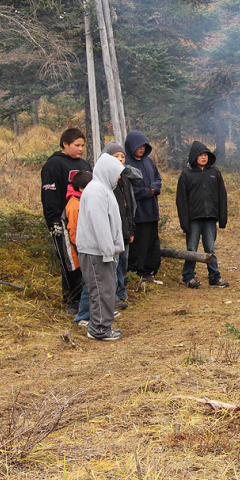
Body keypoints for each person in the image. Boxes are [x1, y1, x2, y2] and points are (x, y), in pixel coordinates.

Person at [40, 128, 92, 314]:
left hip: (84, 219)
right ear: (65, 144)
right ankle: (72, 298)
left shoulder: (85, 164)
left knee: (83, 259)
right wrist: (53, 220)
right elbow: (49, 194)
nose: (80, 149)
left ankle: (85, 297)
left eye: (83, 146)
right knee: (69, 260)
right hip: (63, 220)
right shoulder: (54, 165)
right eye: (77, 145)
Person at [76, 154, 125, 341]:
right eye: (117, 173)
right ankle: (98, 329)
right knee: (100, 290)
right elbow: (100, 224)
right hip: (96, 252)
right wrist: (107, 251)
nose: (119, 177)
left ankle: (102, 326)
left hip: (101, 251)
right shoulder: (96, 191)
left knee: (106, 289)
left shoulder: (103, 190)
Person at [176, 141, 229, 288]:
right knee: (191, 249)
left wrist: (222, 218)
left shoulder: (214, 172)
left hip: (210, 217)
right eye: (201, 155)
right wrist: (184, 222)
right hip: (193, 218)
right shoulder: (186, 174)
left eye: (206, 155)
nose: (204, 157)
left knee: (210, 249)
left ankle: (214, 277)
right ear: (194, 157)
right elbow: (181, 200)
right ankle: (188, 277)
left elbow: (222, 195)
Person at [103, 141, 140, 310]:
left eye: (122, 156)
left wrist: (131, 229)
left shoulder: (125, 178)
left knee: (123, 263)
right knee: (114, 263)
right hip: (112, 231)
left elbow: (129, 207)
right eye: (115, 156)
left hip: (125, 229)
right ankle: (112, 297)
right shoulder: (105, 182)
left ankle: (121, 292)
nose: (119, 159)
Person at [125, 130, 162, 283]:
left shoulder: (149, 161)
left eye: (144, 146)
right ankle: (136, 273)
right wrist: (148, 192)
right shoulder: (126, 163)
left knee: (152, 243)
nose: (141, 149)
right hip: (138, 213)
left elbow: (158, 179)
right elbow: (128, 190)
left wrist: (154, 188)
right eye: (139, 146)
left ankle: (149, 271)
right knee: (139, 244)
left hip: (152, 211)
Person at [64, 171, 95, 327]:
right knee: (87, 284)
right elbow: (74, 232)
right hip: (81, 250)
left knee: (90, 283)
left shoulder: (82, 201)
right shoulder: (74, 205)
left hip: (86, 248)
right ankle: (82, 316)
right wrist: (84, 248)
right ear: (83, 188)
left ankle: (92, 313)